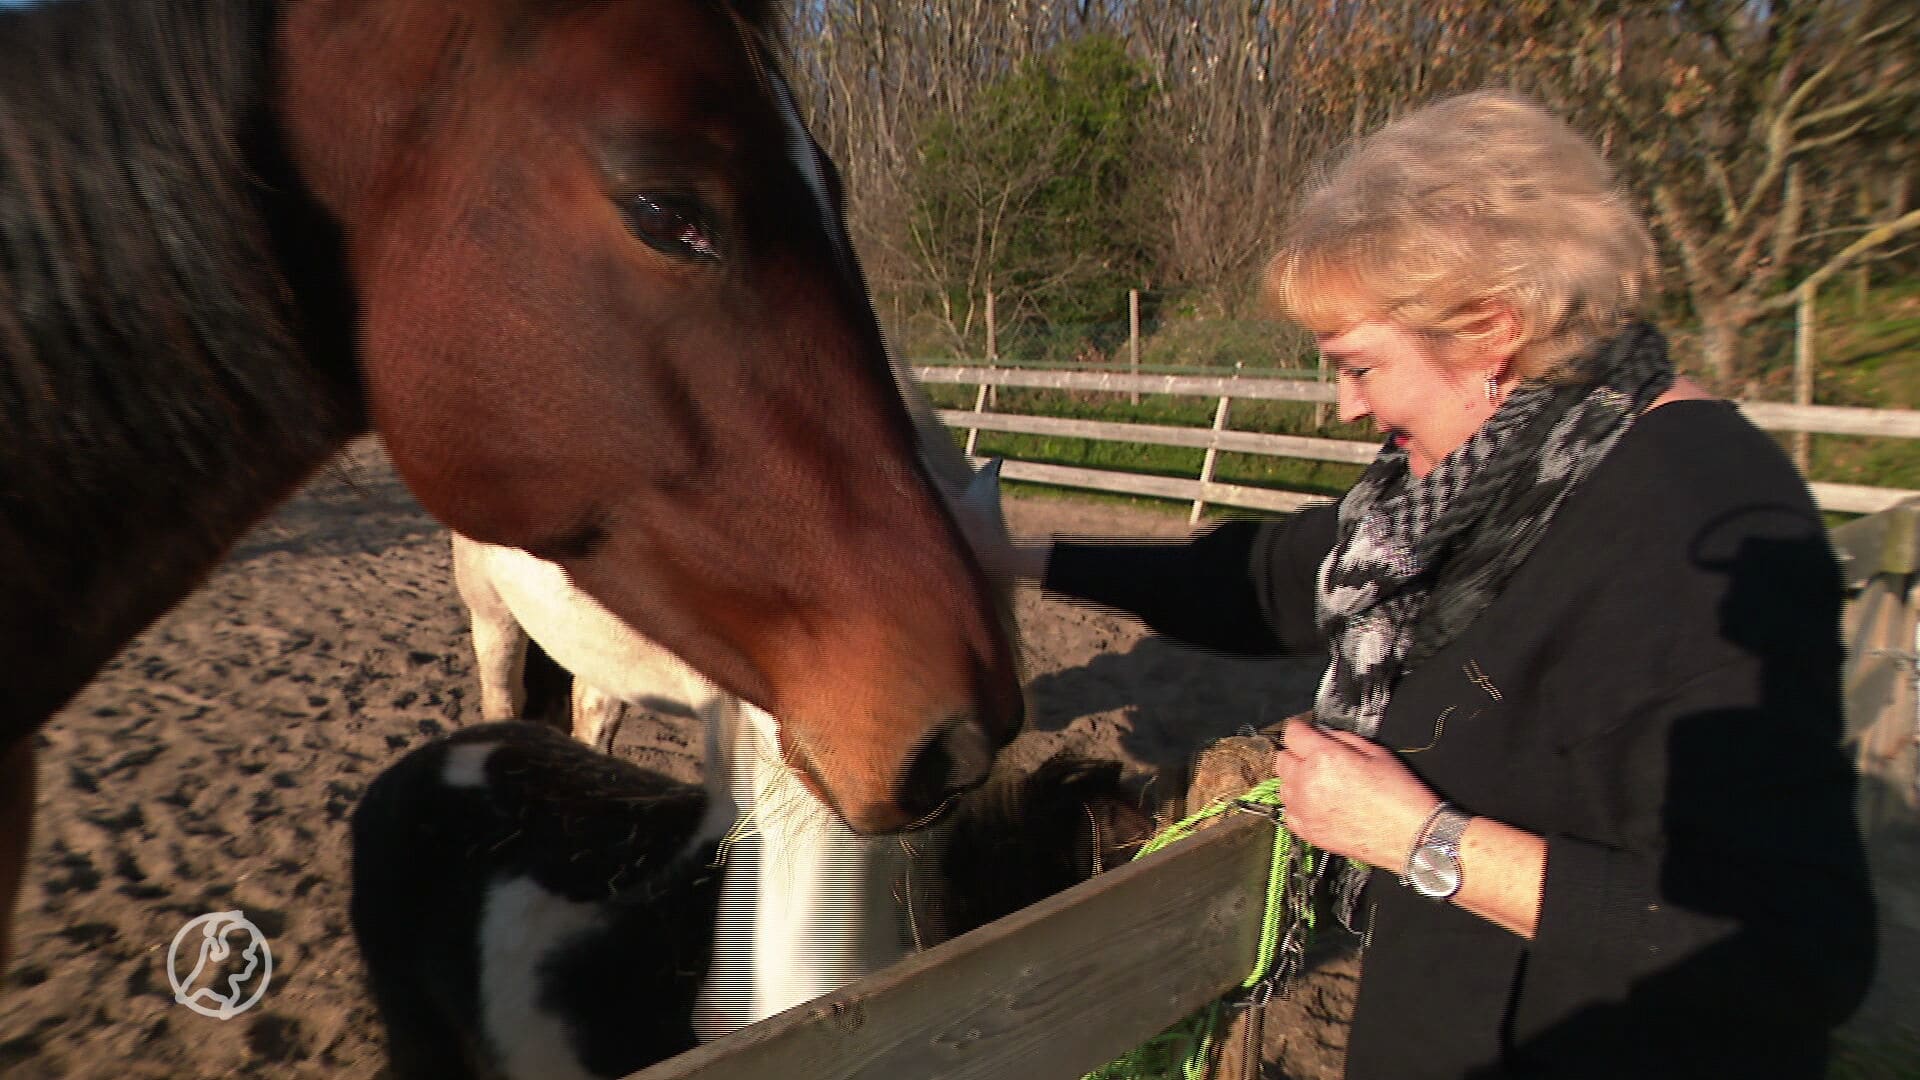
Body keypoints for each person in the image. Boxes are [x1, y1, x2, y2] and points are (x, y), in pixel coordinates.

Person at [961, 91, 1874, 1078]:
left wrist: (1422, 839)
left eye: (1358, 365)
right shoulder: (1489, 489)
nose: (1344, 408)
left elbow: (1795, 950)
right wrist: (1019, 555)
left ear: (1492, 328)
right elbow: (1271, 579)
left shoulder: (1689, 528)